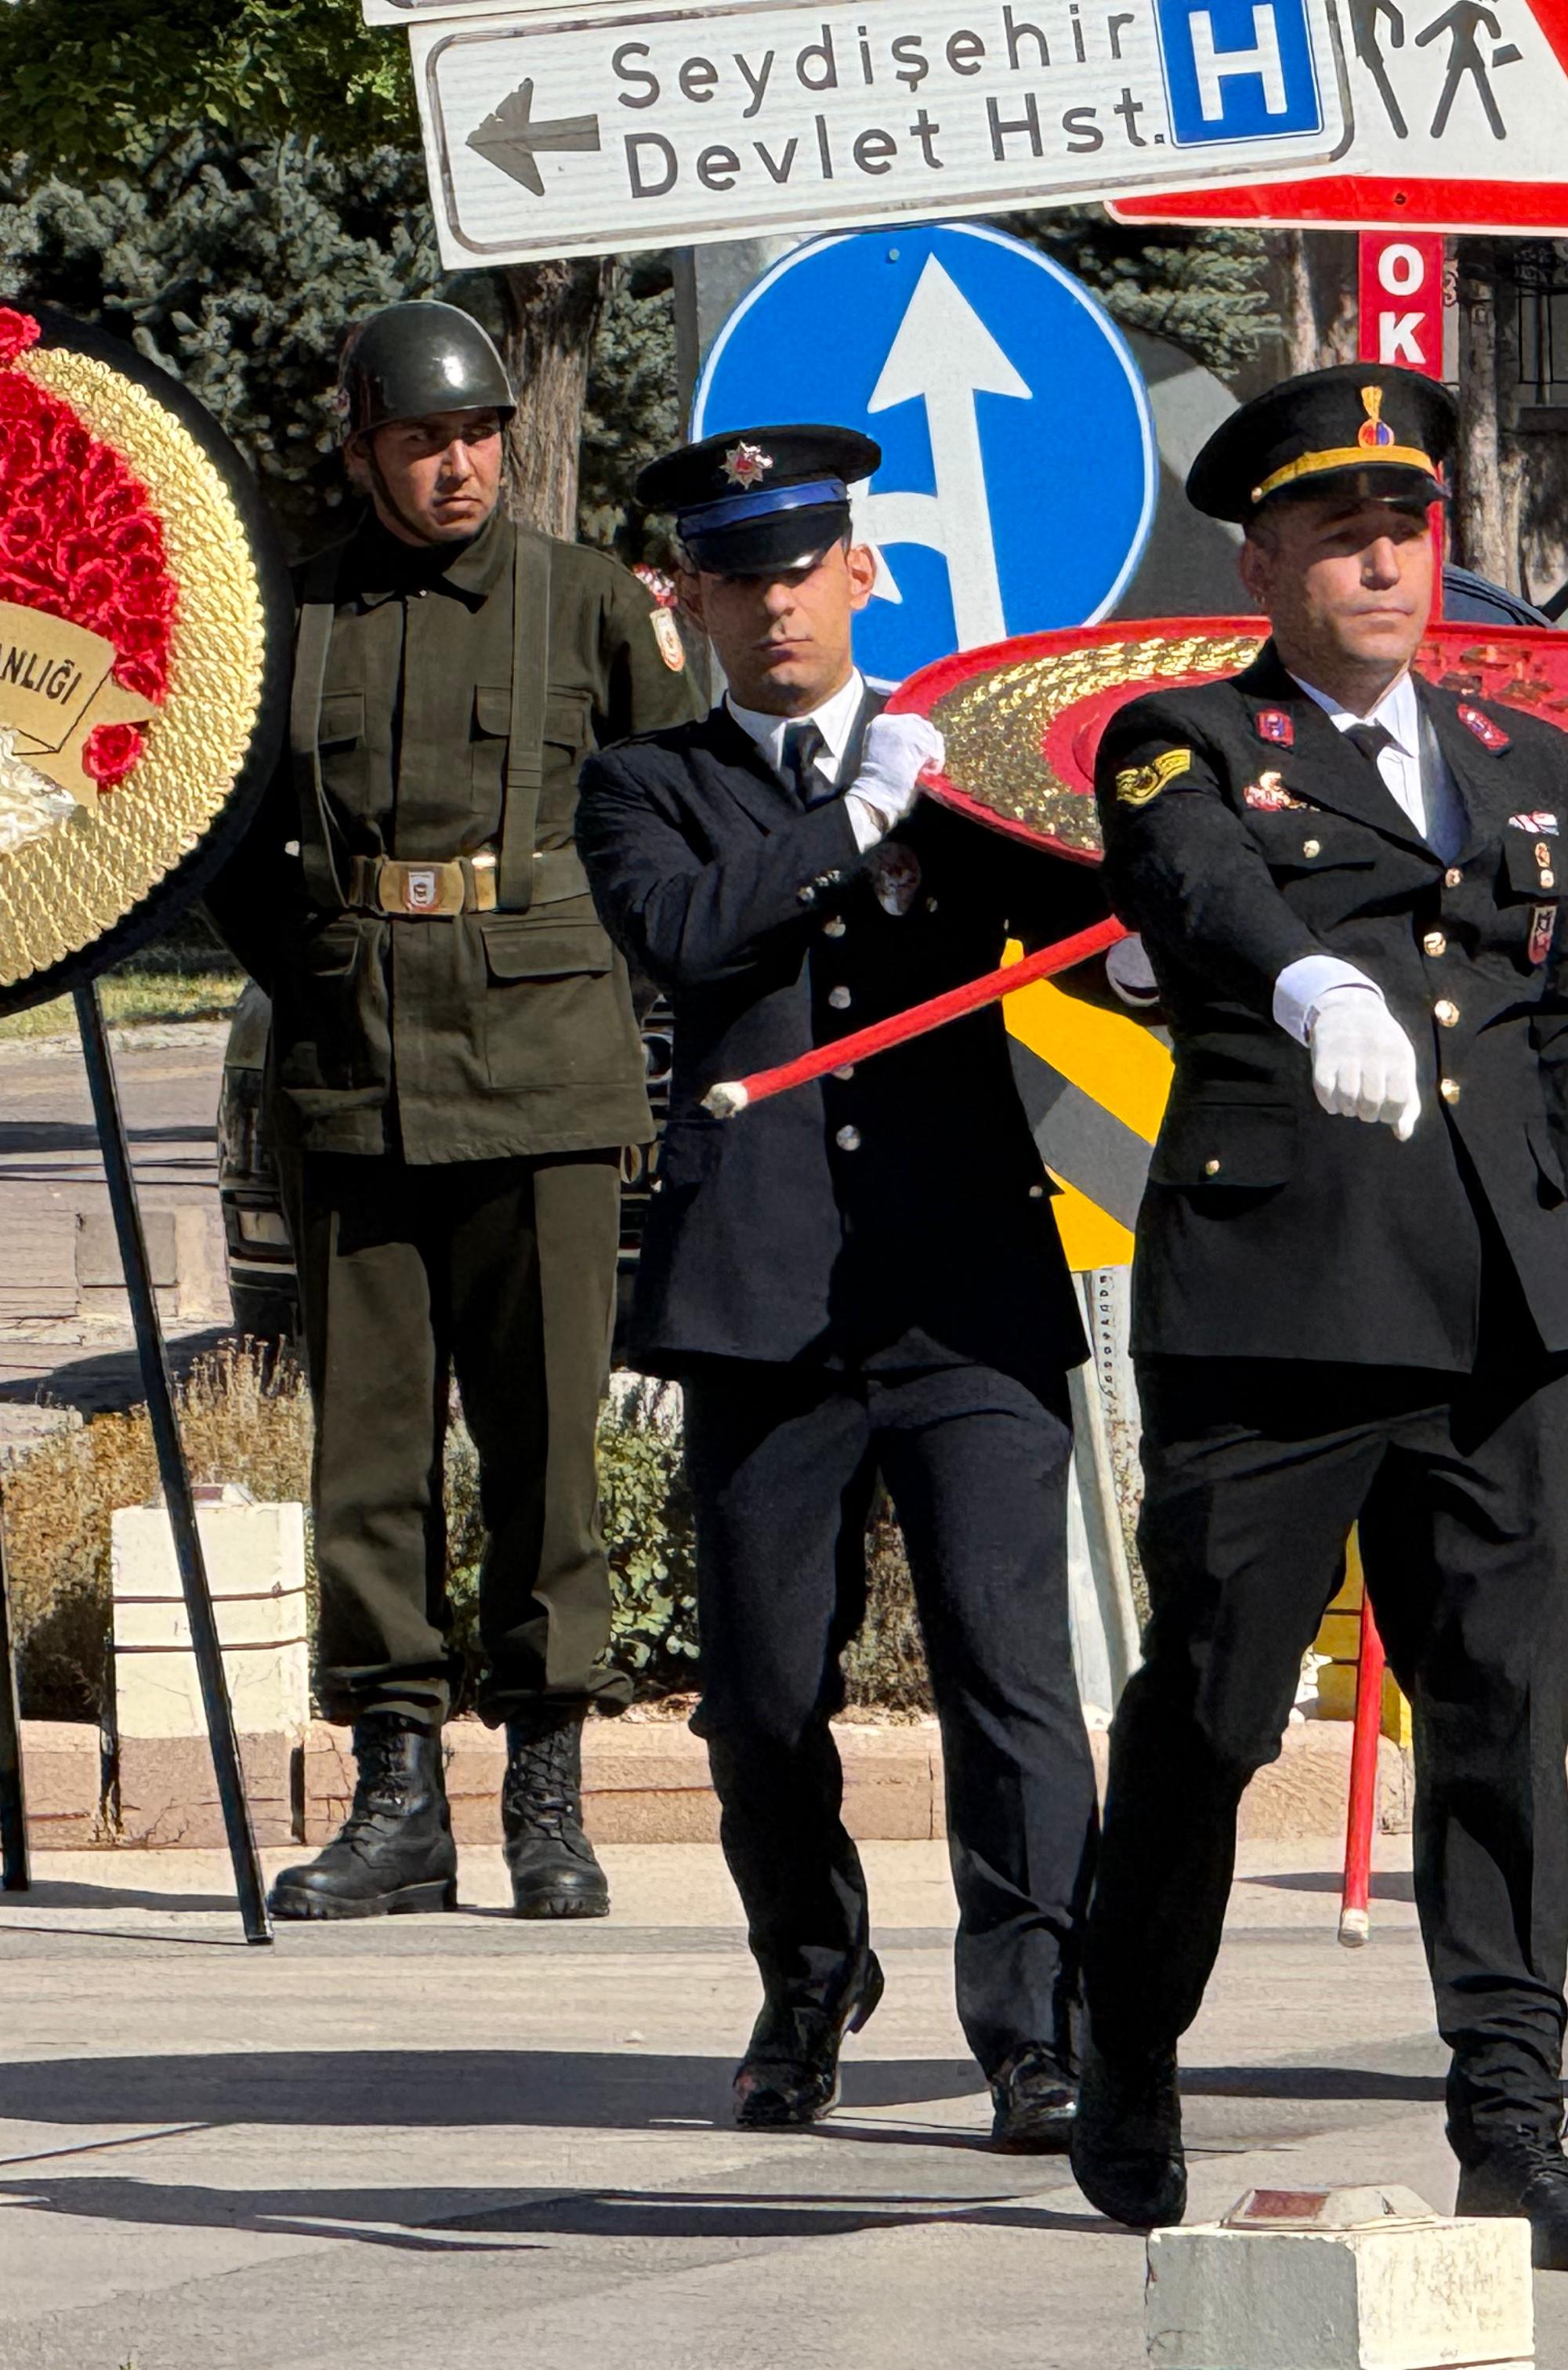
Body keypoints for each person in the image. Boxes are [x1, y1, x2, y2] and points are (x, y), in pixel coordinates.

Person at [1067, 365, 1568, 2267]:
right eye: (1338, 534)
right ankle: (1127, 2044)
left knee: (1504, 1728)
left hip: (1496, 1325)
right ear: (1267, 559)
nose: (1383, 562)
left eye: (1408, 528)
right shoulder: (1187, 739)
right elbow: (1194, 877)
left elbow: (1566, 1040)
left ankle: (1512, 2119)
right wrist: (1310, 992)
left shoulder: (1529, 768)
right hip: (1284, 1317)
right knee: (1216, 1711)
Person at [575, 428, 1105, 2140]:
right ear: (690, 605)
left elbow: (1093, 911)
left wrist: (1165, 932)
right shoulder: (646, 785)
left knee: (1008, 1673)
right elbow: (688, 932)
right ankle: (808, 1974)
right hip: (764, 1302)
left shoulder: (955, 766)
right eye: (739, 578)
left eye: (803, 570)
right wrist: (852, 822)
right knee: (763, 1697)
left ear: (861, 573)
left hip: (963, 1294)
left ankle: (1035, 2019)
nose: (777, 607)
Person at [201, 301, 696, 1923]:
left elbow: (671, 806)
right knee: (368, 1459)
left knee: (550, 1442)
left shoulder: (586, 602)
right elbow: (239, 846)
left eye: (478, 435)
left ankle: (548, 1789)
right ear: (364, 455)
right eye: (424, 441)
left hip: (547, 1070)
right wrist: (326, 961)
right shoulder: (306, 617)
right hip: (353, 1075)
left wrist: (608, 970)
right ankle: (397, 1792)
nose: (461, 464)